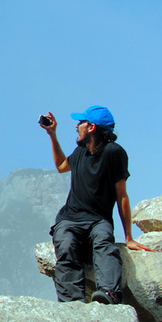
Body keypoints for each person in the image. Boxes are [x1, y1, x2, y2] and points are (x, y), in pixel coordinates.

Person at [39, 106, 155, 304]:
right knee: (66, 244)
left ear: (91, 127)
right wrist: (52, 134)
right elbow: (61, 166)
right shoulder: (81, 151)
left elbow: (122, 195)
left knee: (104, 244)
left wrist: (129, 238)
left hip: (98, 220)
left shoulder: (114, 153)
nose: (77, 126)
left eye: (81, 123)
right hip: (70, 218)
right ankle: (72, 304)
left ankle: (108, 293)